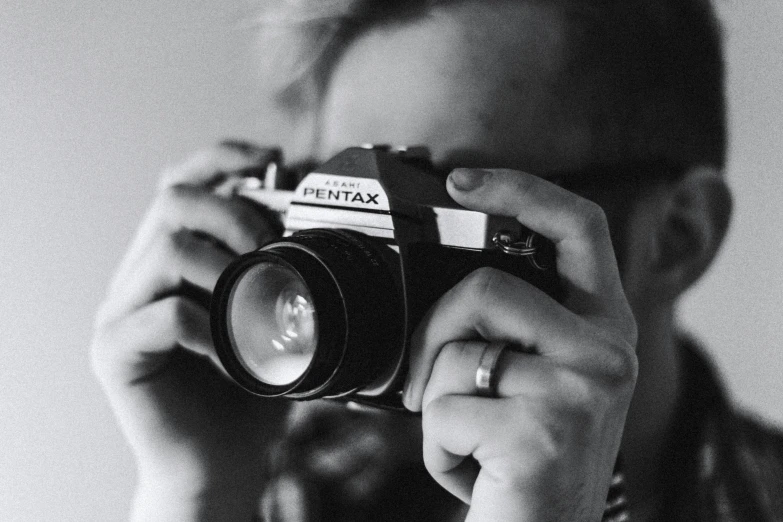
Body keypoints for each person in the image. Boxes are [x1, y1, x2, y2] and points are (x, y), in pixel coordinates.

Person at [90, 0, 783, 520]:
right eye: (343, 201)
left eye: (435, 200)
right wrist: (197, 489)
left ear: (678, 236)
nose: (355, 272)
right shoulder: (306, 482)